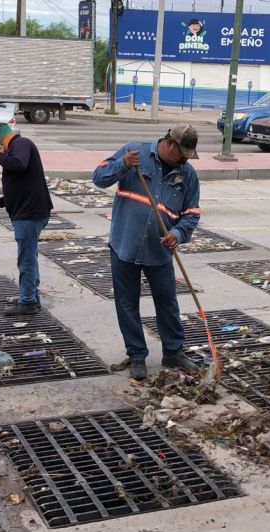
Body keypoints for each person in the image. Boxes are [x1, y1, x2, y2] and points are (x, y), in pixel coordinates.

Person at [92, 125, 202, 380]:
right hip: (124, 245)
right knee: (127, 303)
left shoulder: (187, 175)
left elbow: (192, 213)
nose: (185, 159)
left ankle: (173, 352)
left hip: (160, 251)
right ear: (169, 142)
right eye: (183, 153)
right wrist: (122, 164)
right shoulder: (134, 154)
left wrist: (178, 234)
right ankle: (137, 355)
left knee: (167, 303)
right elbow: (98, 177)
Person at [0, 122, 53, 315]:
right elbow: (21, 187)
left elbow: (19, 165)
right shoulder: (16, 149)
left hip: (29, 215)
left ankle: (28, 301)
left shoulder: (21, 144)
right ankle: (30, 295)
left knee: (26, 259)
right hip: (28, 211)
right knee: (29, 256)